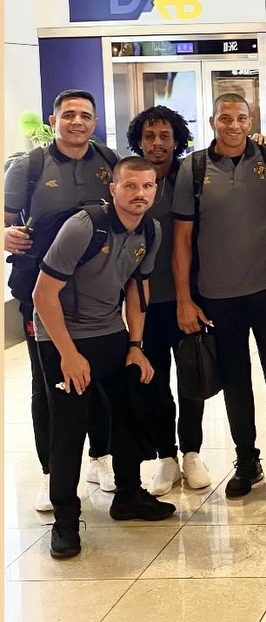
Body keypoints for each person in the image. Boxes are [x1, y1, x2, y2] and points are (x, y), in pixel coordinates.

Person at [31, 155, 176, 559]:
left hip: (111, 333)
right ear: (113, 189)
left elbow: (136, 288)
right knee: (69, 429)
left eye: (147, 186)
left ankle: (128, 497)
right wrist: (68, 354)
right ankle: (65, 520)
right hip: (62, 337)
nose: (139, 194)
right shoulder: (84, 226)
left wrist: (135, 346)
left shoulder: (151, 230)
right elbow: (43, 294)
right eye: (130, 186)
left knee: (127, 414)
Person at [172, 92, 266, 498]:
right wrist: (184, 299)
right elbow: (182, 240)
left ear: (251, 121)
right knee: (235, 380)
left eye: (241, 118)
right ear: (213, 122)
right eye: (225, 118)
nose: (234, 125)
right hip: (218, 296)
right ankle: (247, 461)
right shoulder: (193, 168)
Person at [5, 88, 117, 514]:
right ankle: (52, 472)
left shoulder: (109, 162)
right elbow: (6, 222)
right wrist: (5, 235)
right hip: (40, 295)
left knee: (99, 381)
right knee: (48, 385)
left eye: (85, 115)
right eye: (68, 114)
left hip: (100, 297)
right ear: (53, 121)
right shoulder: (28, 167)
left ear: (94, 123)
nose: (77, 122)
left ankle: (101, 459)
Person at [126, 104, 213, 496]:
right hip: (146, 301)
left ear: (177, 140)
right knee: (155, 381)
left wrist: (188, 299)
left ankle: (192, 452)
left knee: (193, 375)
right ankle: (167, 457)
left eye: (165, 136)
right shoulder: (131, 179)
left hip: (190, 298)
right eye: (150, 136)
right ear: (138, 141)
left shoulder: (189, 176)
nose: (157, 143)